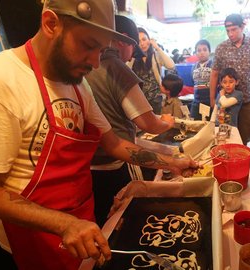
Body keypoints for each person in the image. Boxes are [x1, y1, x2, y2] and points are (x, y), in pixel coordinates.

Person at [0, 1, 197, 269]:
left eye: (102, 50)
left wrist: (170, 162)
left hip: (80, 224)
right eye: (89, 46)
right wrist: (64, 223)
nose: (95, 62)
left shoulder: (77, 85)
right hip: (32, 238)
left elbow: (113, 144)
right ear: (51, 24)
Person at [85, 15, 176, 227]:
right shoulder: (114, 66)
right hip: (114, 165)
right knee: (124, 223)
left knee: (102, 222)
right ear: (123, 40)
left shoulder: (86, 64)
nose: (131, 56)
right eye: (133, 48)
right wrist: (167, 122)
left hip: (89, 166)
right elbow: (148, 123)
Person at [209, 13, 250, 144]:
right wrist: (212, 99)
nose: (230, 34)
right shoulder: (221, 48)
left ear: (242, 26)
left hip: (246, 101)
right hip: (226, 103)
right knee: (224, 136)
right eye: (228, 30)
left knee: (244, 137)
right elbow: (214, 74)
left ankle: (242, 162)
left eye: (233, 29)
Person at [128, 27, 175, 114]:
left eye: (144, 39)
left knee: (156, 125)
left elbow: (171, 65)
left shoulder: (155, 56)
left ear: (149, 40)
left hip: (156, 99)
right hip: (139, 100)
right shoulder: (134, 58)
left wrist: (157, 47)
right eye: (138, 41)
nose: (142, 43)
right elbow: (126, 70)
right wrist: (132, 52)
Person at [190, 39, 213, 120]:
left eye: (204, 50)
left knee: (208, 126)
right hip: (196, 101)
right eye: (199, 50)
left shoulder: (213, 65)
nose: (202, 52)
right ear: (196, 53)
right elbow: (193, 82)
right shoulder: (193, 67)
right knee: (194, 124)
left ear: (209, 51)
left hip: (210, 102)